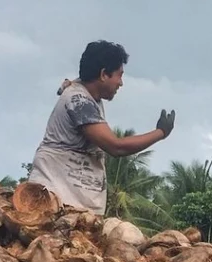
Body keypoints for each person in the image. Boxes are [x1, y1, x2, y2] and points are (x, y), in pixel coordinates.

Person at [26, 40, 175, 215]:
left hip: (70, 202)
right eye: (119, 75)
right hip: (53, 200)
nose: (121, 83)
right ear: (104, 74)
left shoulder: (86, 93)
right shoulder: (79, 101)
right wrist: (160, 132)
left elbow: (77, 81)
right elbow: (116, 147)